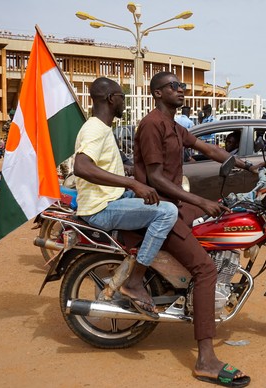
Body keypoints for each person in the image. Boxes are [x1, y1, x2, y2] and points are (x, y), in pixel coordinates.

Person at [134, 71, 253, 386]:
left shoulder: (174, 125)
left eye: (182, 86)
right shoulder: (151, 125)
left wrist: (242, 164)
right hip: (159, 209)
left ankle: (185, 294)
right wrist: (200, 201)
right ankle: (206, 359)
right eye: (174, 86)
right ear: (157, 93)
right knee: (205, 270)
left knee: (221, 223)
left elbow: (206, 148)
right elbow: (156, 178)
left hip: (173, 204)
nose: (181, 90)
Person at [73, 77, 178, 316]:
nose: (125, 103)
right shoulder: (95, 129)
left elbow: (105, 165)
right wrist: (132, 183)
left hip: (113, 197)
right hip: (101, 208)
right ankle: (135, 281)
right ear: (111, 99)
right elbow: (82, 166)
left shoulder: (102, 128)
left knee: (166, 200)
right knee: (167, 212)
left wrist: (132, 175)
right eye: (122, 97)